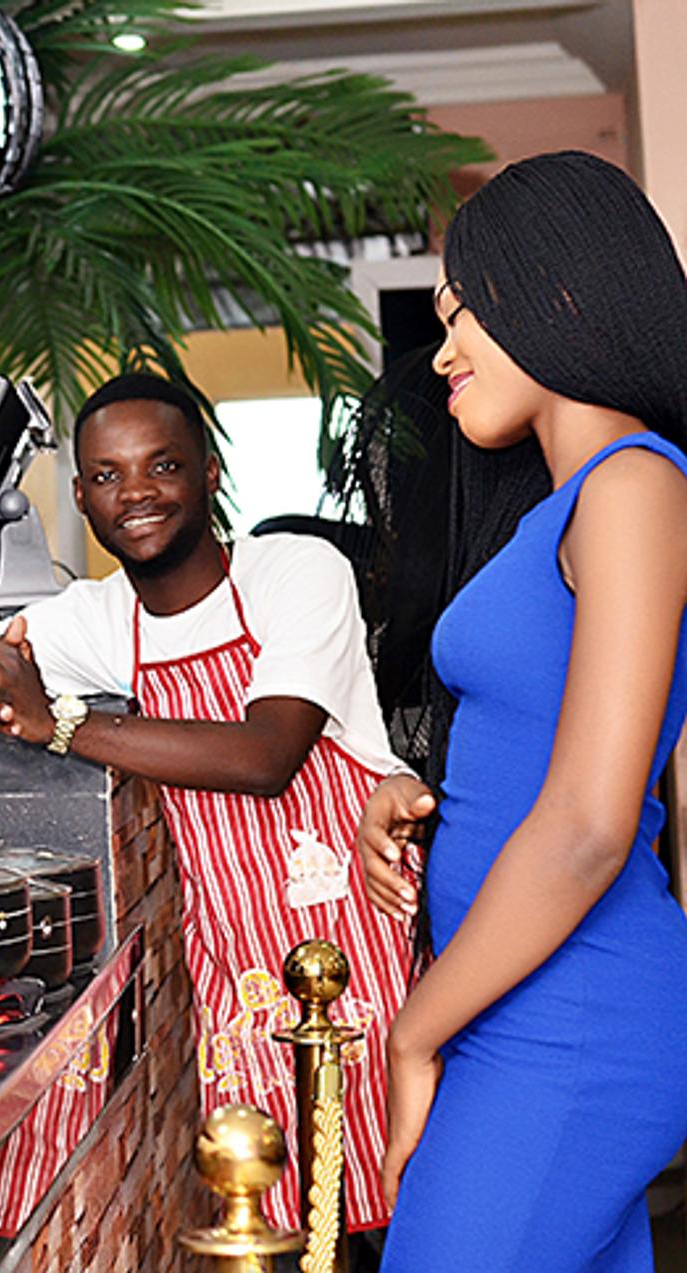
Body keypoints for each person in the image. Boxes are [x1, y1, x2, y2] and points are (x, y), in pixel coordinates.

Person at [0, 372, 413, 1238]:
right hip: (233, 974)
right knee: (272, 1225)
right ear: (79, 495)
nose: (135, 493)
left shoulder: (294, 571)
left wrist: (53, 720)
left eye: (162, 466)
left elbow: (265, 756)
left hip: (350, 952)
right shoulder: (98, 617)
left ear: (210, 473)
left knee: (387, 1218)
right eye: (107, 476)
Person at [354, 151, 687, 1273]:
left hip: (572, 1023)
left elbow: (593, 824)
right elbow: (538, 743)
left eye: (464, 316)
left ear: (558, 298)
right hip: (513, 1004)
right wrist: (426, 799)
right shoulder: (561, 508)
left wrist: (414, 1029)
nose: (442, 351)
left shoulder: (637, 488)